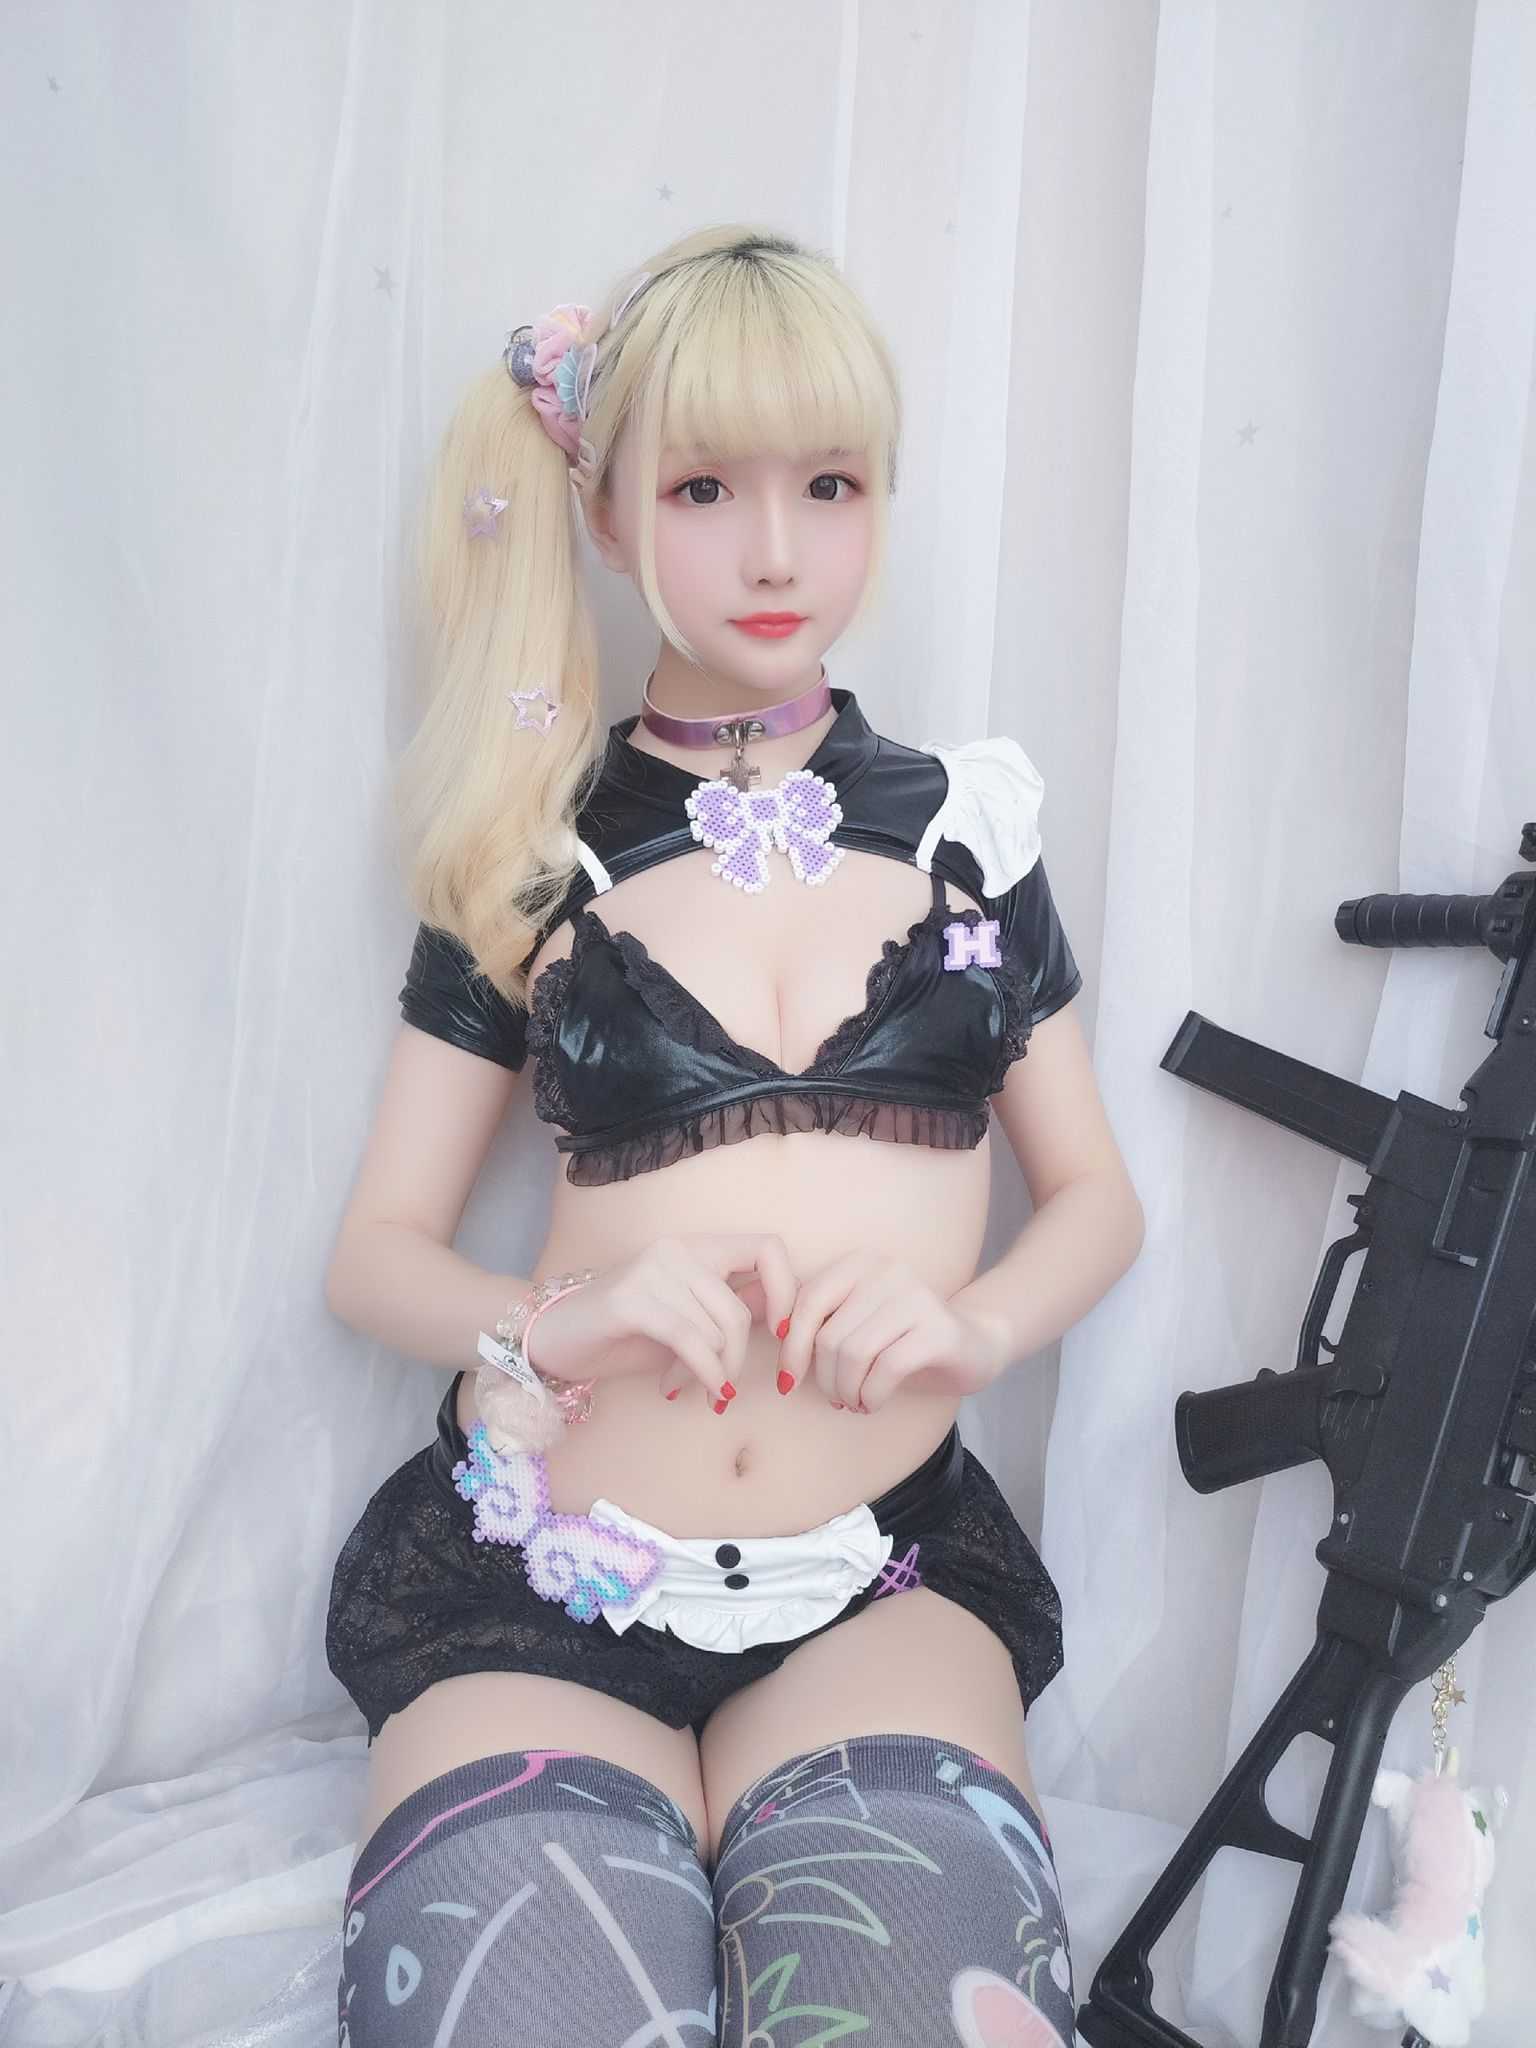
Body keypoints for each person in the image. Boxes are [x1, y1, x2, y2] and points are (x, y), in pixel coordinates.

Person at [323, 224, 1144, 2048]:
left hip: (879, 1583)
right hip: (540, 1582)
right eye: (705, 488)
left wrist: (978, 1327)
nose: (777, 552)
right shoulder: (528, 846)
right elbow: (374, 1253)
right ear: (607, 512)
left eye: (829, 485)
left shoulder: (967, 827)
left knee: (922, 2015)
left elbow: (1094, 1195)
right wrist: (564, 1321)